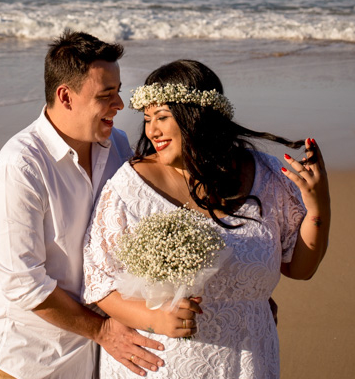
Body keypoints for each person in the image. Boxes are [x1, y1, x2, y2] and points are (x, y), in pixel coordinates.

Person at [82, 59, 330, 378]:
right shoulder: (129, 189)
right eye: (147, 119)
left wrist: (319, 208)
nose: (152, 131)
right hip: (160, 365)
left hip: (249, 362)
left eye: (162, 117)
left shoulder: (268, 176)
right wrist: (154, 319)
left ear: (196, 116)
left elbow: (300, 268)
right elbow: (99, 285)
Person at [0, 31, 166, 379]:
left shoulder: (118, 145)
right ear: (65, 96)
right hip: (31, 361)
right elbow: (22, 282)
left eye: (118, 91)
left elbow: (149, 215)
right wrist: (102, 330)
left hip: (100, 358)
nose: (120, 104)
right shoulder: (20, 166)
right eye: (105, 95)